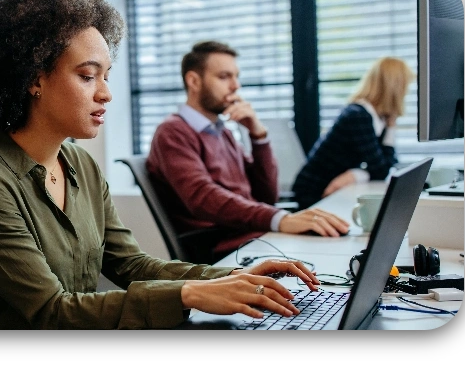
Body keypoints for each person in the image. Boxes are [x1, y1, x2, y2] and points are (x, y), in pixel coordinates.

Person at [0, 0, 326, 331]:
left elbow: (131, 264)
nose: (105, 93)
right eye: (87, 76)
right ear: (34, 78)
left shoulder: (81, 165)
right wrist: (188, 295)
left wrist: (227, 279)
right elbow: (52, 312)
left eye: (106, 76)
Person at [146, 40, 350, 264]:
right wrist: (278, 219)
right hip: (223, 247)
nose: (236, 86)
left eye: (236, 76)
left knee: (336, 244)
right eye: (224, 77)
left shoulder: (222, 133)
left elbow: (266, 196)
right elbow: (203, 197)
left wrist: (258, 135)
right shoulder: (172, 132)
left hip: (251, 237)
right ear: (194, 81)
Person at [291, 56, 414, 210]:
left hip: (334, 188)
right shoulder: (358, 115)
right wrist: (356, 174)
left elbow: (388, 163)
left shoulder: (377, 118)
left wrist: (391, 126)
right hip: (315, 192)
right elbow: (380, 170)